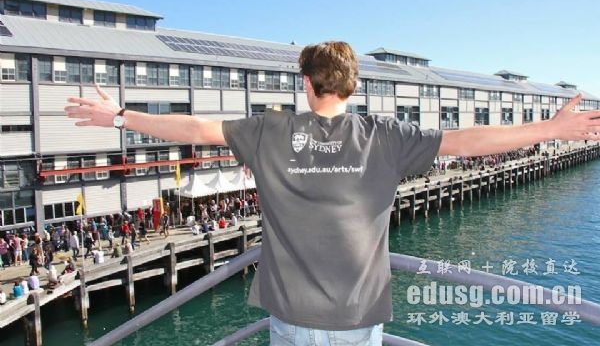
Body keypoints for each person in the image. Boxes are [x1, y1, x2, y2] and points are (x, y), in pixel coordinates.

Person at [65, 41, 600, 345]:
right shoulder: (386, 136)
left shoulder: (270, 131)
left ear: (306, 83)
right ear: (353, 85)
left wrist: (121, 116)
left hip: (291, 314)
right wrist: (549, 129)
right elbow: (467, 141)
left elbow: (196, 128)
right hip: (357, 316)